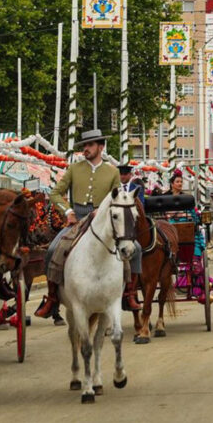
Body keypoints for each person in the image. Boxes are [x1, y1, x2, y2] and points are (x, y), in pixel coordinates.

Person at [34, 128, 136, 317]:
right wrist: (68, 211)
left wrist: (102, 210)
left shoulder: (112, 172)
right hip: (78, 220)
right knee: (53, 249)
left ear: (101, 147)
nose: (86, 149)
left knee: (133, 248)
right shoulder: (74, 169)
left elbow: (117, 198)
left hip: (103, 222)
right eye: (84, 145)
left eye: (90, 145)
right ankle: (52, 298)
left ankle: (128, 293)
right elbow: (55, 193)